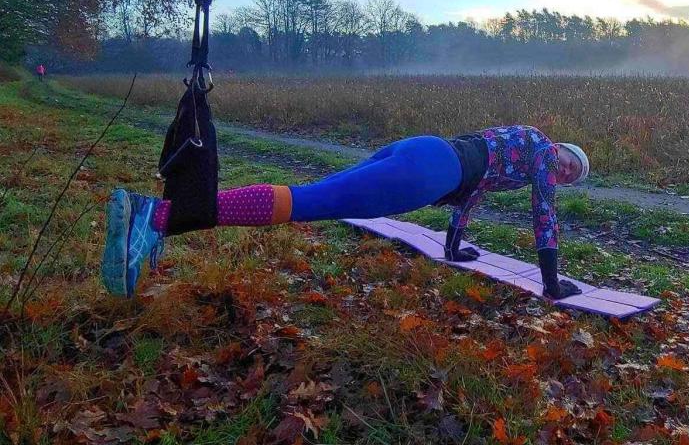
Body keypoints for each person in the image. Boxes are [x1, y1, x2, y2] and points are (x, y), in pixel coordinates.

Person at [101, 125, 590, 300]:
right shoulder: (543, 153)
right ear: (561, 150)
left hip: (427, 152)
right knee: (308, 201)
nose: (565, 173)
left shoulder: (520, 151)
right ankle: (156, 217)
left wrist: (452, 246)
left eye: (573, 175)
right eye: (571, 163)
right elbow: (544, 217)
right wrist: (550, 282)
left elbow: (470, 195)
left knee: (315, 194)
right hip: (428, 174)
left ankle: (161, 216)